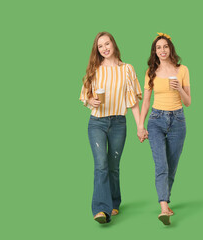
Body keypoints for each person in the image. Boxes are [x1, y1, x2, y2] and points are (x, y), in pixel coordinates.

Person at [80, 32, 142, 224]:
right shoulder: (94, 69)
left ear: (113, 44)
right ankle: (100, 209)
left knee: (113, 167)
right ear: (97, 50)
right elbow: (84, 96)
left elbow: (132, 102)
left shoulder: (127, 69)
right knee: (101, 165)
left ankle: (114, 201)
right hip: (97, 122)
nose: (104, 48)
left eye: (107, 44)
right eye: (100, 46)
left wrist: (140, 126)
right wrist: (91, 100)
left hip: (118, 123)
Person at [137, 33, 191, 225]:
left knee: (172, 167)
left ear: (170, 49)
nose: (162, 50)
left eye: (165, 47)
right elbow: (145, 102)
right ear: (154, 51)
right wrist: (140, 126)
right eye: (158, 47)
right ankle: (163, 208)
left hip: (178, 120)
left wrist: (179, 89)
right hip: (156, 120)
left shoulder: (182, 70)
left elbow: (188, 102)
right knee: (161, 166)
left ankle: (166, 203)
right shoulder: (150, 72)